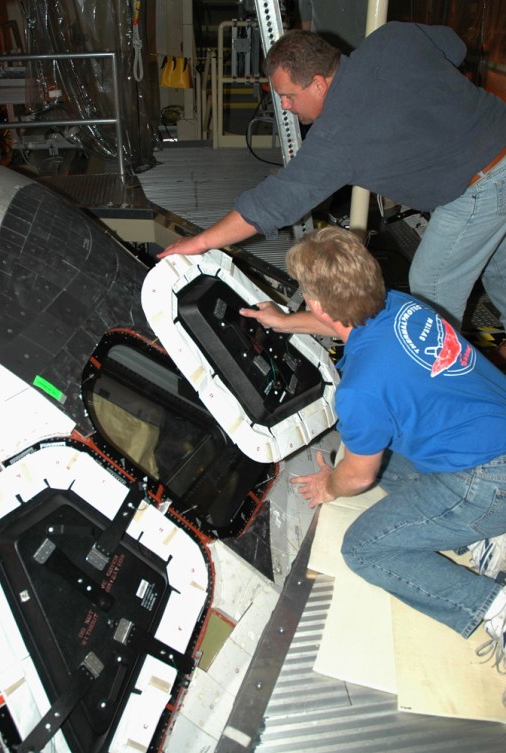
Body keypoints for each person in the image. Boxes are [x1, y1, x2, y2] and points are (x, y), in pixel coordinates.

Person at [239, 224, 506, 673]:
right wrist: (284, 321)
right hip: (491, 437)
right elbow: (346, 323)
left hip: (489, 481)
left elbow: (358, 476)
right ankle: (481, 529)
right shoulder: (402, 306)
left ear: (320, 303)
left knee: (365, 548)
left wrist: (330, 486)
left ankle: (491, 603)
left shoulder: (360, 390)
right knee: (387, 467)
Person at [159, 23, 506, 365]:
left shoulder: (338, 135)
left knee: (427, 296)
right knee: (498, 271)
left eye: (289, 96)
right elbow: (453, 45)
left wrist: (201, 242)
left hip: (480, 187)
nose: (286, 106)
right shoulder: (392, 38)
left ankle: (435, 391)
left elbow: (272, 204)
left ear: (319, 84)